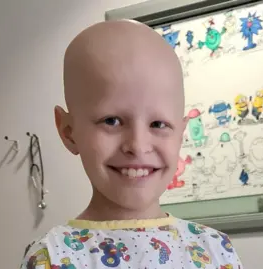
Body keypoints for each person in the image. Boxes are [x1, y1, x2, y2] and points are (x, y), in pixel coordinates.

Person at [19, 19, 244, 269]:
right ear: (69, 132)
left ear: (180, 134)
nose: (137, 145)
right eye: (112, 121)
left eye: (158, 124)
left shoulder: (214, 249)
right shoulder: (51, 258)